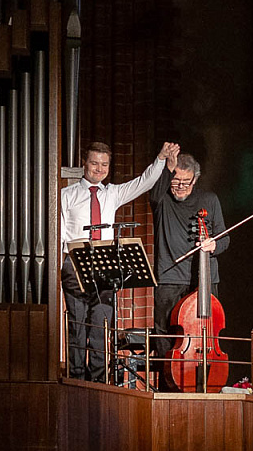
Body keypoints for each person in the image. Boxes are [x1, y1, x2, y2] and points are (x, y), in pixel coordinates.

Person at [60, 140, 179, 382]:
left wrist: (160, 159)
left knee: (99, 330)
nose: (99, 169)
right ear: (85, 162)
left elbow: (143, 182)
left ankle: (97, 382)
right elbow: (59, 232)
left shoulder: (112, 193)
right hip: (75, 264)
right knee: (77, 326)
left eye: (104, 164)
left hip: (104, 267)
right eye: (94, 163)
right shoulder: (66, 195)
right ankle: (75, 379)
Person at [149, 152, 229, 372]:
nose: (181, 186)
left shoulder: (209, 200)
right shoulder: (162, 199)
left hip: (204, 279)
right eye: (176, 181)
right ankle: (168, 380)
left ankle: (206, 377)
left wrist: (214, 245)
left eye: (187, 181)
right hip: (169, 277)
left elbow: (224, 238)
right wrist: (167, 168)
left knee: (206, 332)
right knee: (165, 332)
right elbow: (156, 188)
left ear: (196, 179)